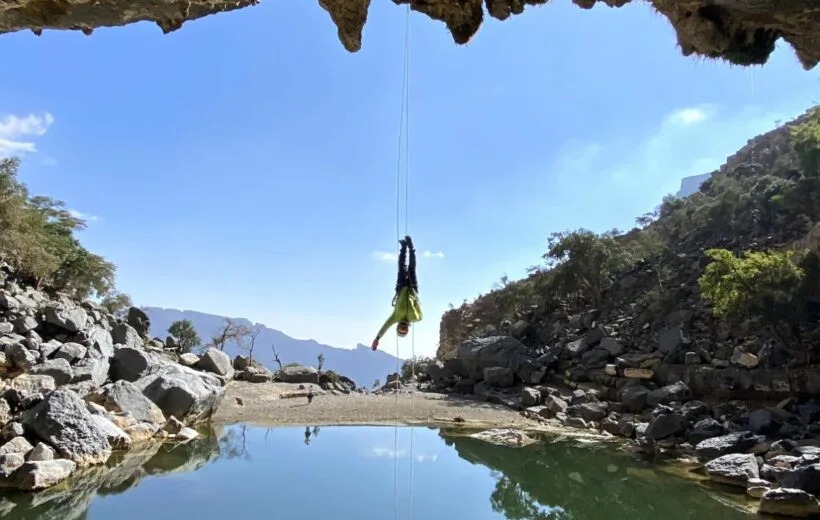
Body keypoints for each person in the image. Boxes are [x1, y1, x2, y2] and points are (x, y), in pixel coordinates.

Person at [371, 235, 423, 351]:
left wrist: (377, 339)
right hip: (413, 288)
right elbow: (419, 307)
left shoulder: (394, 318)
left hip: (400, 289)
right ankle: (411, 247)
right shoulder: (416, 318)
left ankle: (403, 247)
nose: (403, 327)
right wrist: (415, 297)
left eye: (401, 329)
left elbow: (384, 327)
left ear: (398, 327)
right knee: (412, 268)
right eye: (405, 330)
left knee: (401, 267)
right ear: (408, 329)